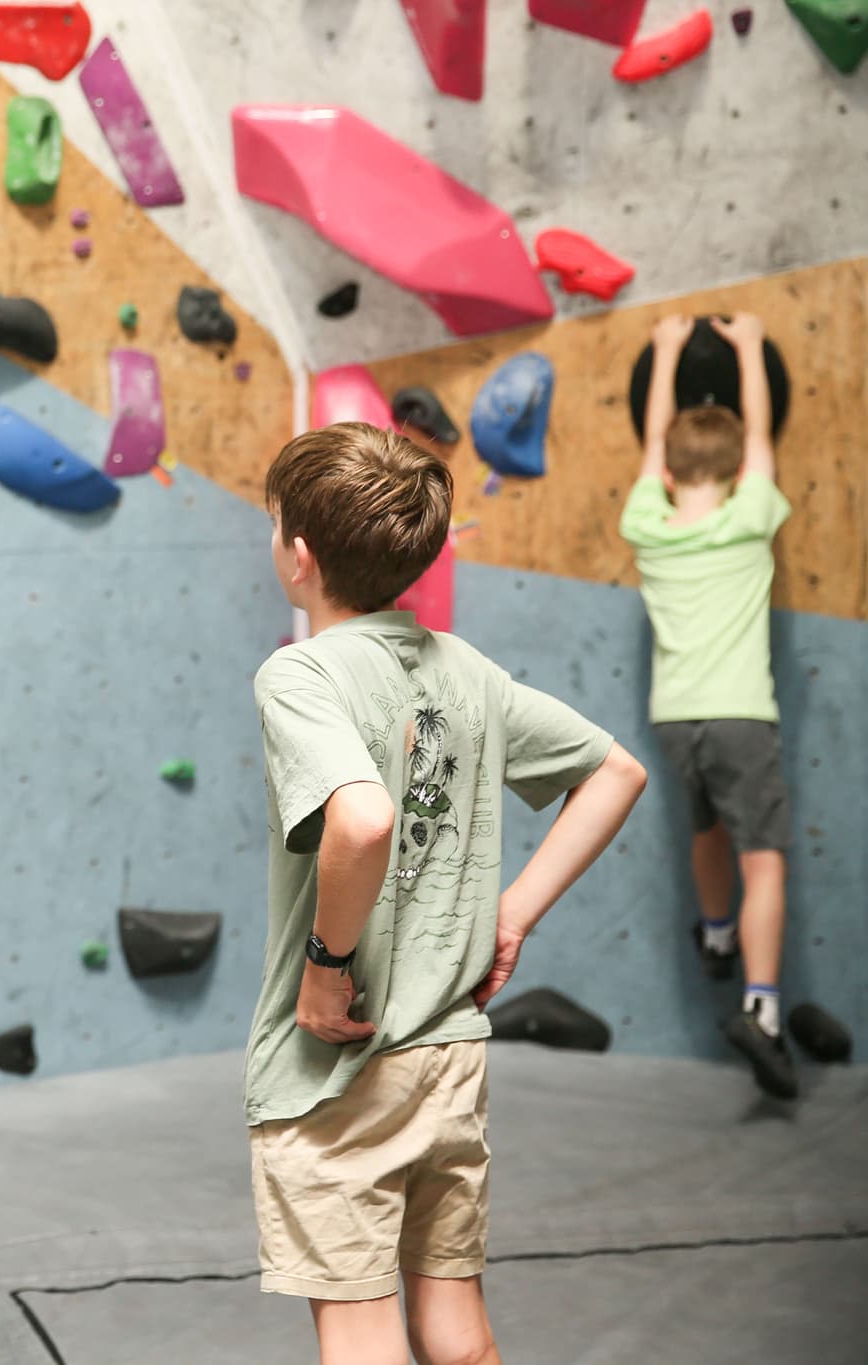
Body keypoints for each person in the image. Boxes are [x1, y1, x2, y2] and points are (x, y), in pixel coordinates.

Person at [247, 422, 647, 1365]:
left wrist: (325, 967)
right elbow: (616, 772)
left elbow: (364, 819)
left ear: (298, 556)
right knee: (458, 1335)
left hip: (336, 1069)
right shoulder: (467, 669)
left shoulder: (299, 671)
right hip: (449, 1057)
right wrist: (511, 913)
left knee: (362, 1334)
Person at [619, 313, 796, 1100]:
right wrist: (753, 348)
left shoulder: (646, 526)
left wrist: (661, 354)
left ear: (665, 471)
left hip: (675, 716)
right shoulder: (750, 517)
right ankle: (760, 1011)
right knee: (767, 860)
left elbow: (650, 446)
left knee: (705, 827)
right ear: (734, 469)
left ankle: (716, 933)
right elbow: (762, 434)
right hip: (740, 714)